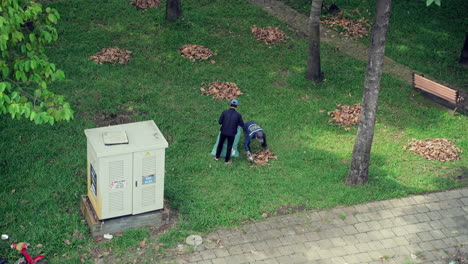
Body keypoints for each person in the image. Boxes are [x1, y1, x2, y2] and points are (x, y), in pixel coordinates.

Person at [215, 99, 244, 164]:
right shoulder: (238, 115)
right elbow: (242, 124)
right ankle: (227, 160)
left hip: (223, 131)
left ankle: (217, 157)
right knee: (229, 146)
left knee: (220, 144)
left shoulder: (224, 112)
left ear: (230, 105)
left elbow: (220, 122)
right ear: (236, 106)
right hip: (232, 133)